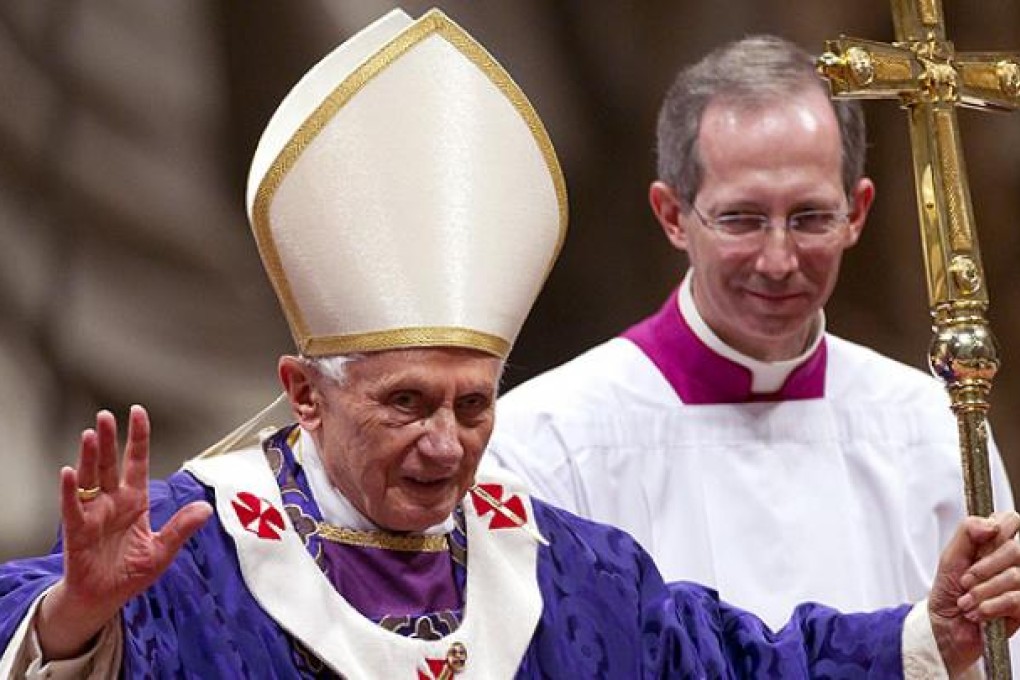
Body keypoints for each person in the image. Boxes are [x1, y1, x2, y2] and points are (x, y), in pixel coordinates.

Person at [0, 12, 1017, 679]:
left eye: (474, 404)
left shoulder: (560, 565)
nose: (447, 444)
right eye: (406, 402)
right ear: (304, 394)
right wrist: (75, 618)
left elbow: (739, 660)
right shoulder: (196, 547)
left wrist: (926, 631)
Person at [491, 33, 1017, 637]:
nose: (777, 260)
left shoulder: (933, 429)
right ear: (673, 215)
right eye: (741, 219)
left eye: (810, 218)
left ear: (856, 213)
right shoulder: (551, 441)